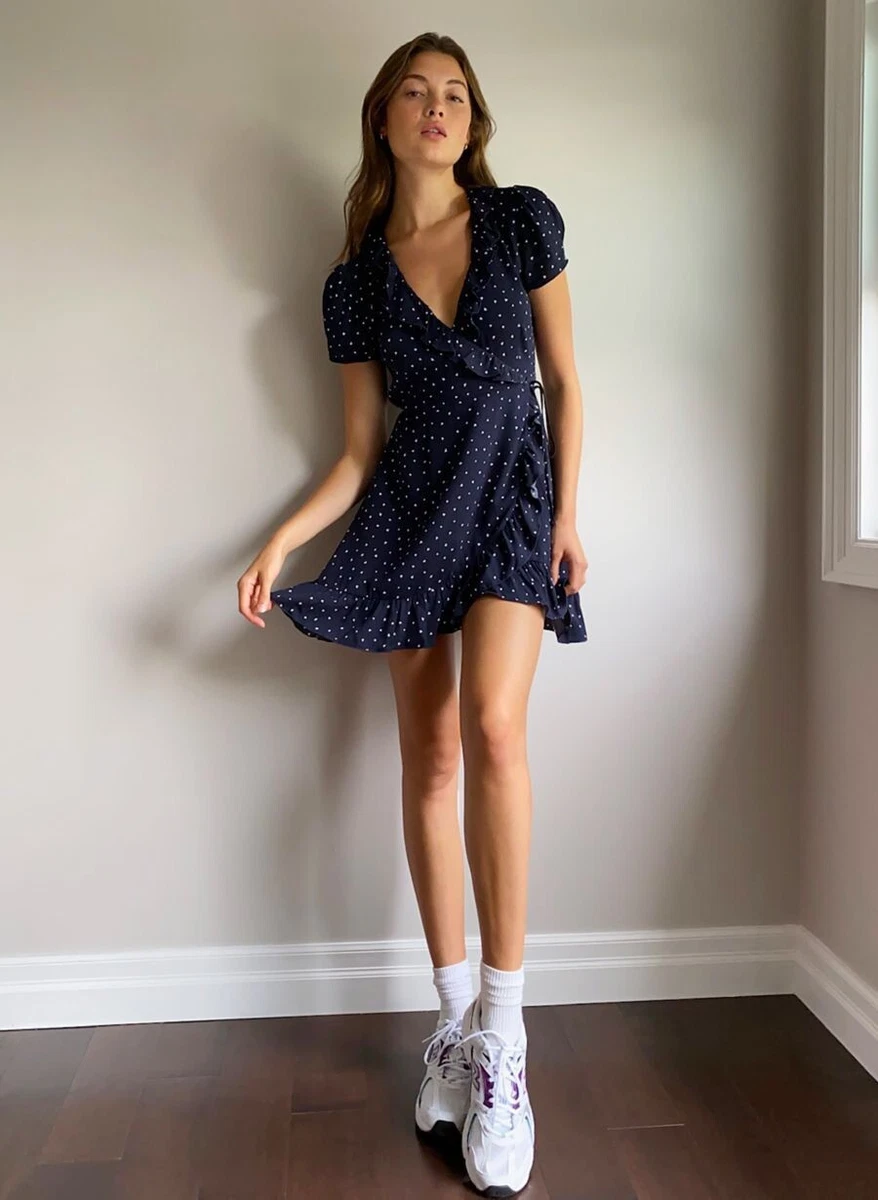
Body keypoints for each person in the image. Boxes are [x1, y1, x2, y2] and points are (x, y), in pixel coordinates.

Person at [238, 31, 588, 1198]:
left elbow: (564, 380)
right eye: (414, 92)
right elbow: (354, 452)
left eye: (454, 95)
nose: (436, 108)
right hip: (407, 512)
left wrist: (567, 514)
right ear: (383, 119)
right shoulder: (352, 285)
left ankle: (505, 1038)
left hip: (511, 502)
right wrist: (280, 541)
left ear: (470, 123)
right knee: (430, 759)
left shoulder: (519, 222)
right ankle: (448, 1031)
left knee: (493, 729)